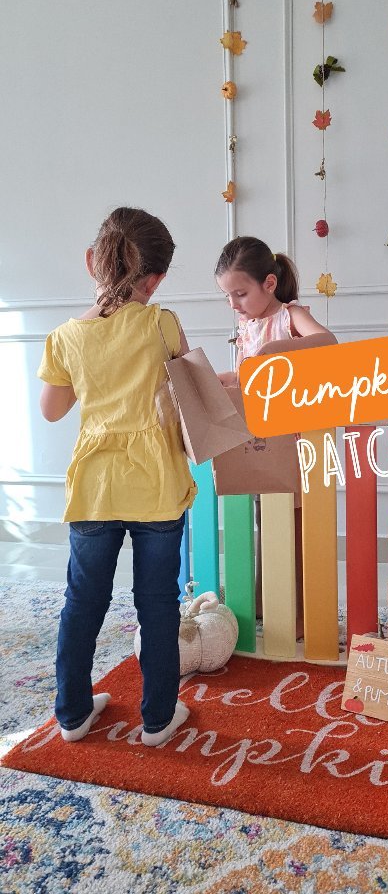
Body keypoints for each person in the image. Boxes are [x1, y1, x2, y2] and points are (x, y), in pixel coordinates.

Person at [38, 207, 196, 747]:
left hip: (95, 487)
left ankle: (72, 715)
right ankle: (158, 719)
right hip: (156, 486)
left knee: (82, 601)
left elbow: (52, 411)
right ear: (157, 279)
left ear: (92, 262)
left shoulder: (66, 337)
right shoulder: (161, 324)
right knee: (157, 603)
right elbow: (190, 392)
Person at [215, 235, 337, 637]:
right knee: (265, 520)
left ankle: (300, 611)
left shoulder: (290, 315)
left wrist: (278, 348)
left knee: (296, 526)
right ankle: (265, 600)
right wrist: (220, 379)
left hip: (296, 440)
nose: (233, 304)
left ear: (269, 283)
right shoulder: (246, 327)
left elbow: (328, 342)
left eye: (240, 294)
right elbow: (244, 376)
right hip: (260, 439)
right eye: (227, 296)